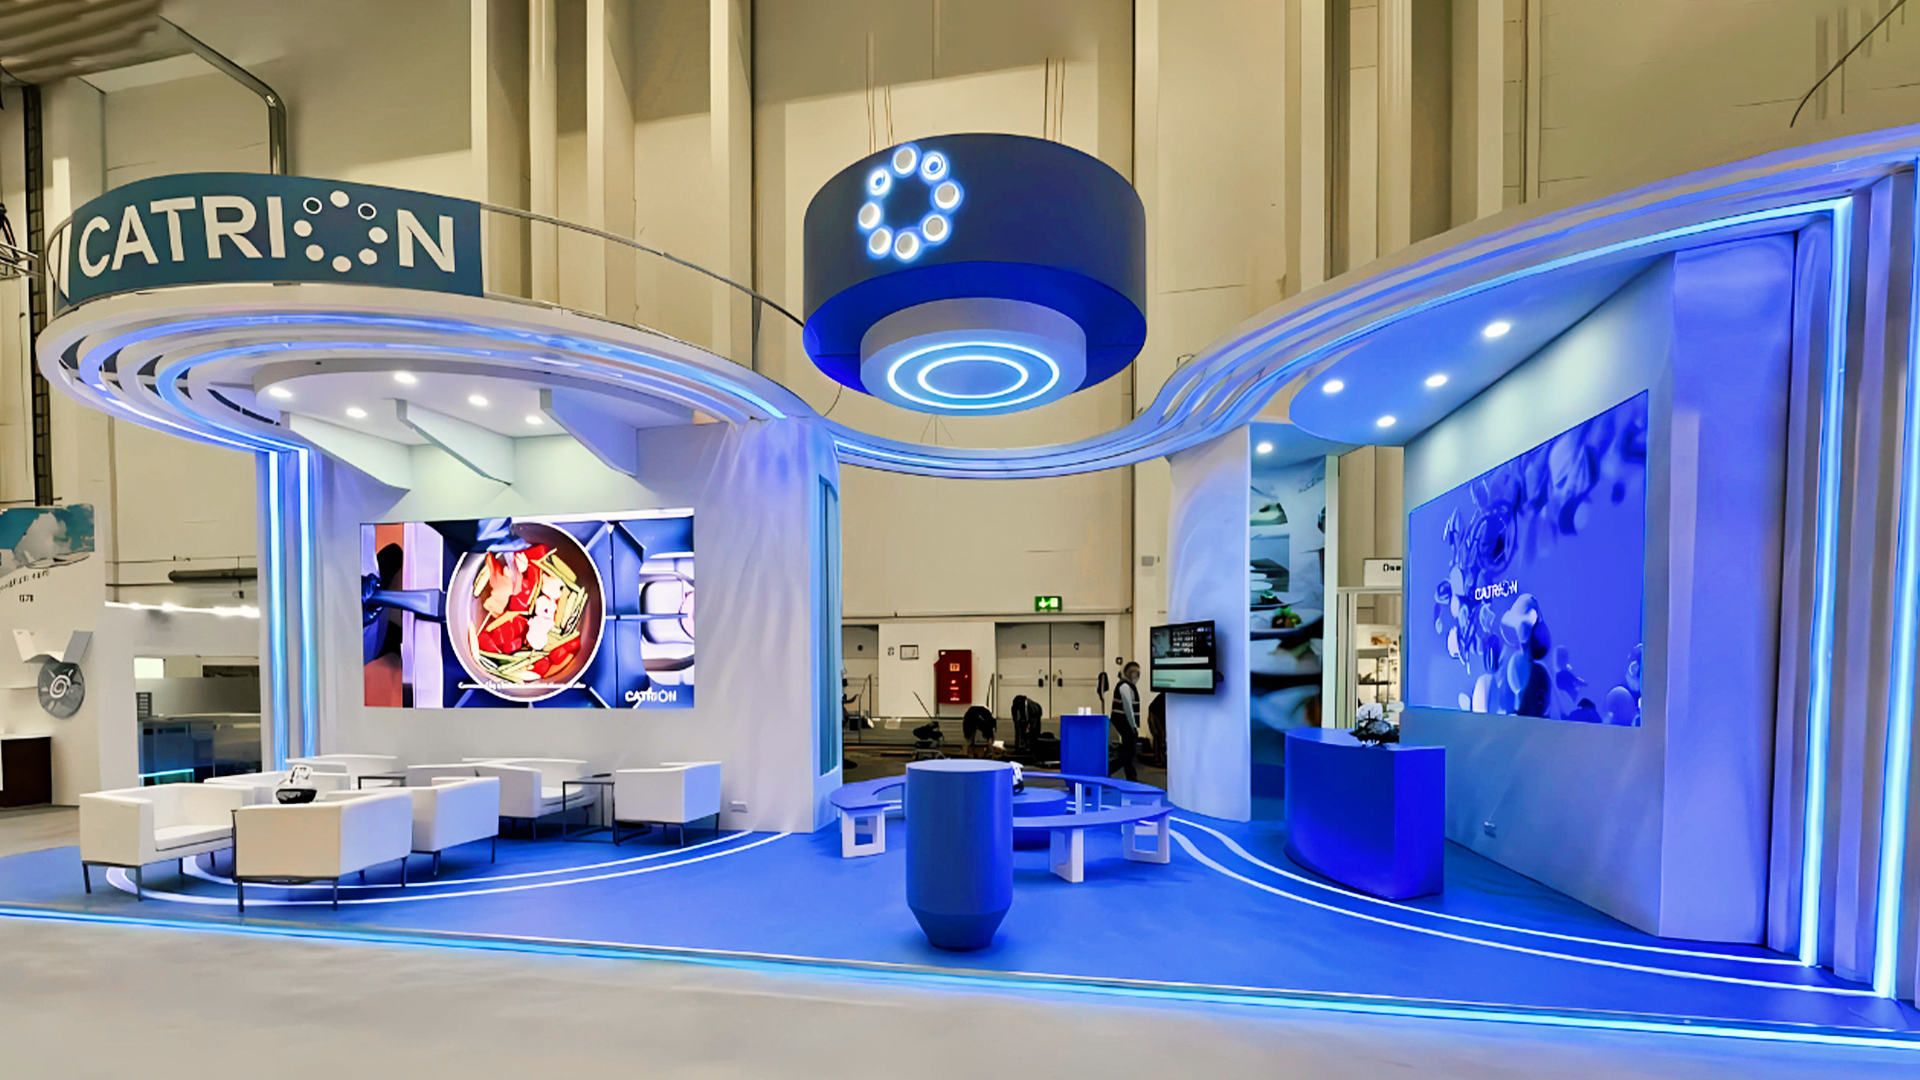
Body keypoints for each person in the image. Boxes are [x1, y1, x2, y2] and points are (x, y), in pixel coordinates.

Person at [1109, 661, 1141, 781]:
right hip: (1124, 725)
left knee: (1127, 754)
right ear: (1130, 674)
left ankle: (1129, 776)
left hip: (1124, 725)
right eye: (1136, 673)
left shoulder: (1128, 686)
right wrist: (1133, 726)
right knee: (1128, 753)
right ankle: (1112, 771)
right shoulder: (1125, 687)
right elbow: (1128, 709)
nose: (1137, 676)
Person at [1147, 690, 1167, 766]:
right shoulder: (1164, 698)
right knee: (1158, 737)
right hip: (1155, 715)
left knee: (1159, 737)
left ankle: (1159, 758)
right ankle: (1159, 759)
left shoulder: (1163, 696)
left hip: (1155, 714)